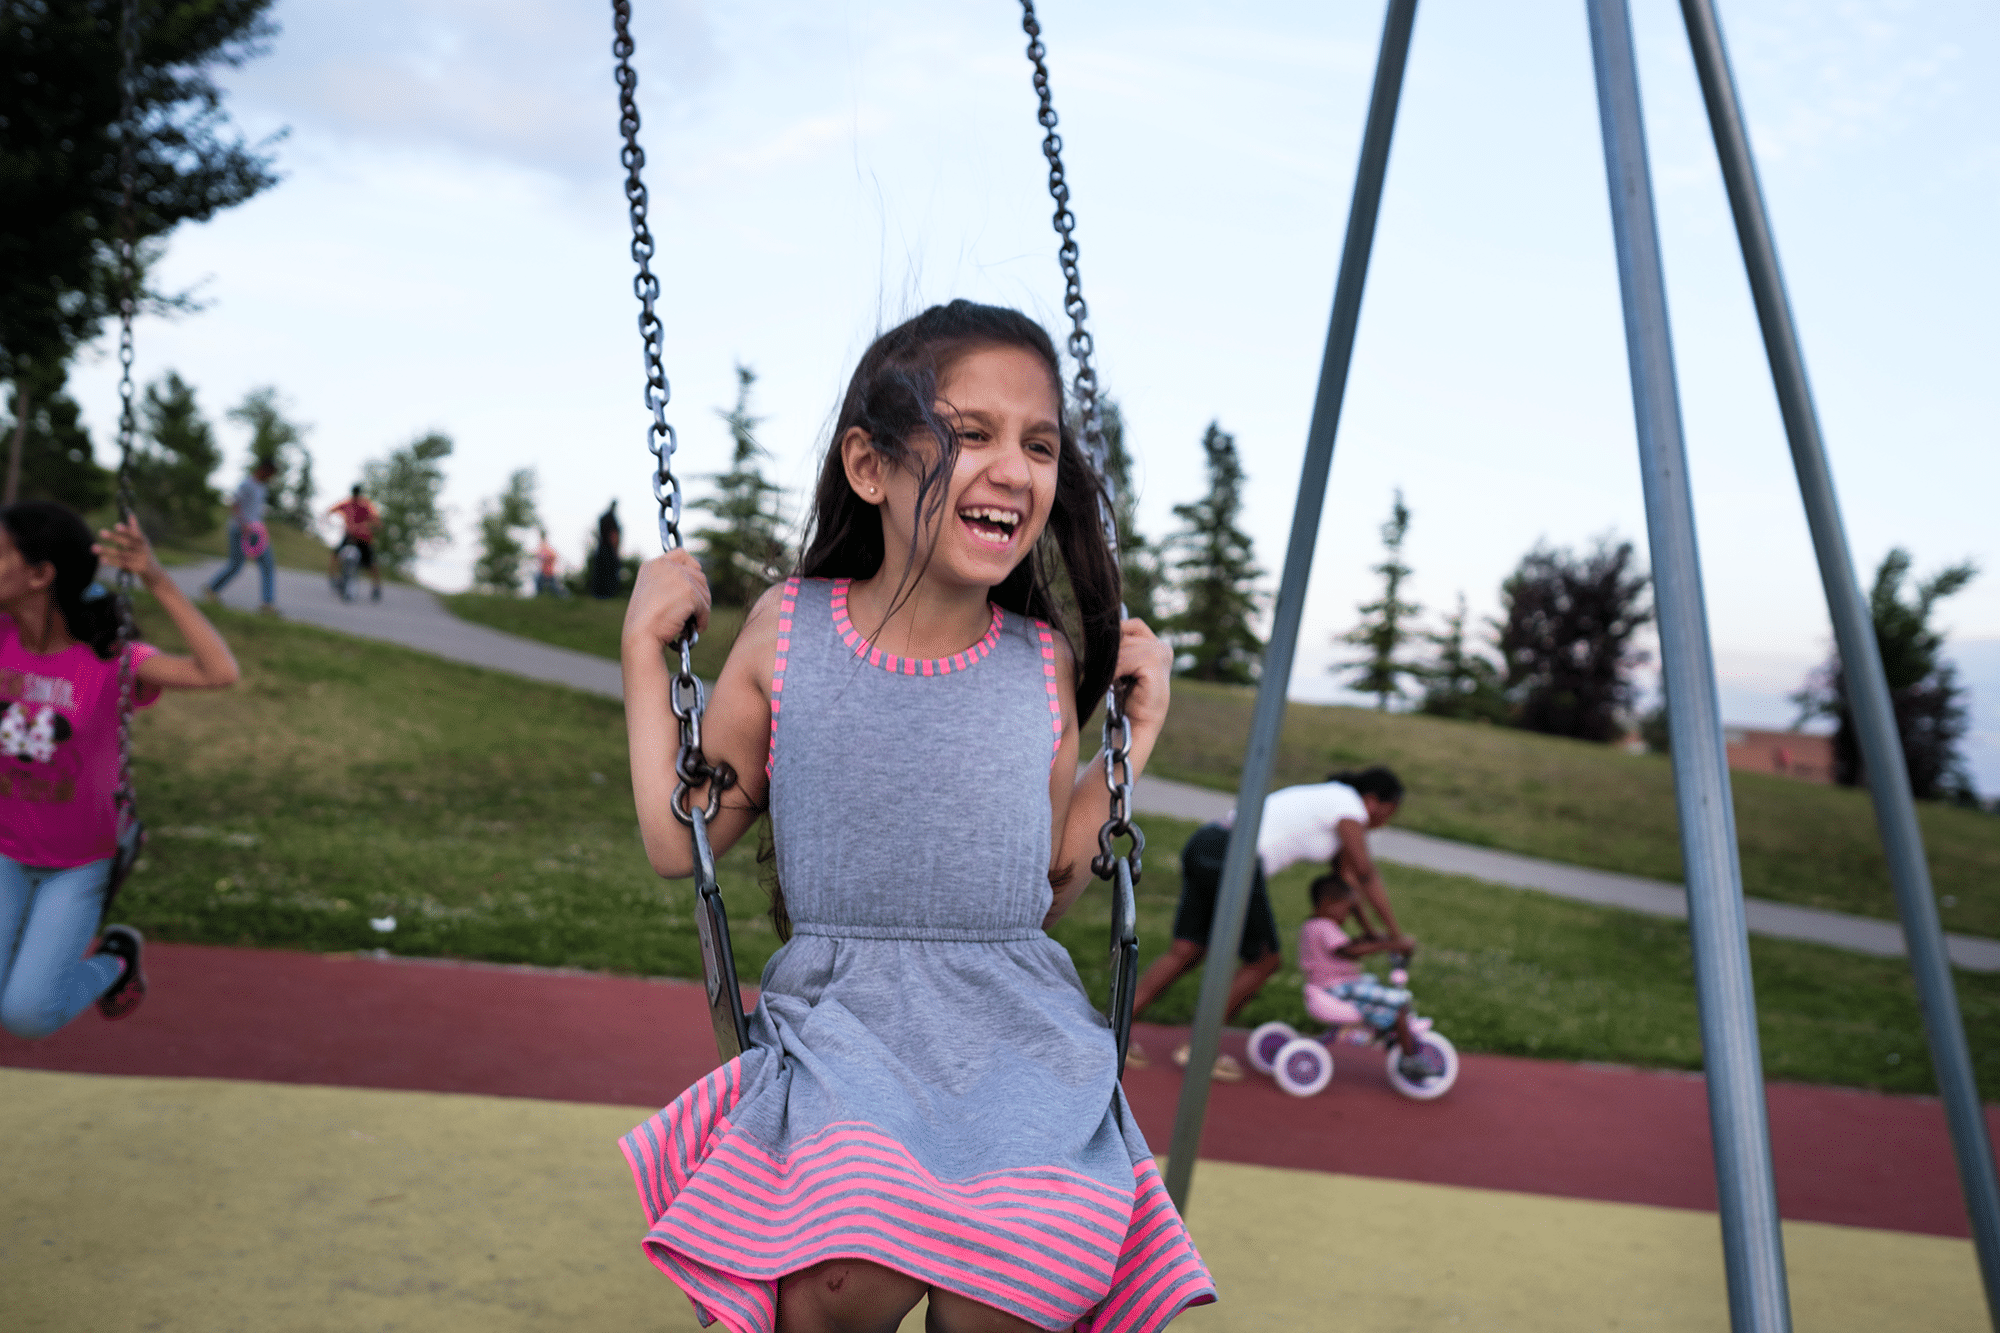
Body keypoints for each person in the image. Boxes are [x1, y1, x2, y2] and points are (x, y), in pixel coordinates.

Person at [619, 302, 1214, 1333]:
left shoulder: (1041, 663)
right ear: (869, 466)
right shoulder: (790, 629)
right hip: (846, 1031)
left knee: (1018, 1284)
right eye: (969, 432)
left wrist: (1136, 738)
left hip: (1019, 1038)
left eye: (1036, 444)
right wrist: (643, 655)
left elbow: (1047, 881)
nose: (1014, 469)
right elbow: (684, 838)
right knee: (836, 1265)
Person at [1, 502, 239, 1039]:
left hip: (78, 864)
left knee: (25, 1014)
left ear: (39, 575)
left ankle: (115, 963)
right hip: (4, 850)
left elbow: (218, 672)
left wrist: (156, 578)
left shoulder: (111, 660)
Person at [1125, 766, 1406, 1076]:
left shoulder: (1330, 801)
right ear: (1372, 802)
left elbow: (1347, 883)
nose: (1384, 823)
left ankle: (1115, 1034)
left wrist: (1372, 933)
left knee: (1188, 949)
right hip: (1236, 857)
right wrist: (1396, 935)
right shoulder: (1348, 806)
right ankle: (1199, 1050)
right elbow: (1366, 873)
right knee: (1265, 960)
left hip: (1208, 842)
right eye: (1389, 812)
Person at [1299, 873, 1431, 1082]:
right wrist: (1390, 945)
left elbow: (1347, 946)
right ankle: (1409, 1059)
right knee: (1398, 1001)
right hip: (1337, 988)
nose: (1348, 915)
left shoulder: (1314, 926)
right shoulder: (1325, 927)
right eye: (1347, 908)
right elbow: (1349, 951)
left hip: (1331, 986)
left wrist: (1374, 939)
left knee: (1375, 988)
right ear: (1328, 904)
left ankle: (1384, 1031)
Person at [204, 460, 280, 613]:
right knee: (236, 564)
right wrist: (243, 524)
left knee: (267, 564)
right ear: (264, 469)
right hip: (240, 530)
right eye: (270, 473)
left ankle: (267, 604)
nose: (271, 477)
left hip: (257, 531)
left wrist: (262, 529)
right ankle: (211, 589)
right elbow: (235, 504)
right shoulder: (247, 484)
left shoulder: (262, 487)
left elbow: (257, 512)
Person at [325, 485, 384, 602]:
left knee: (370, 562)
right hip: (354, 536)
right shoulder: (361, 504)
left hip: (360, 537)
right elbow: (377, 520)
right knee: (338, 555)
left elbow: (331, 510)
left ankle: (376, 587)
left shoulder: (356, 504)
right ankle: (335, 579)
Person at [589, 500, 622, 599]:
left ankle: (599, 594)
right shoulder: (612, 518)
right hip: (608, 550)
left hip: (601, 548)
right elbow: (613, 535)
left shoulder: (603, 517)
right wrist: (616, 551)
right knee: (608, 573)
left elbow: (597, 532)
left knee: (600, 572)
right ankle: (607, 594)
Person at [533, 530, 564, 598]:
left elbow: (554, 556)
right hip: (543, 571)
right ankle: (539, 597)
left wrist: (546, 558)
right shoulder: (541, 546)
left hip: (549, 572)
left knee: (554, 587)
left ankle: (564, 597)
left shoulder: (547, 547)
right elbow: (537, 555)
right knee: (539, 583)